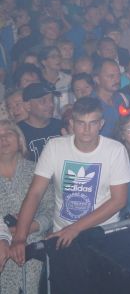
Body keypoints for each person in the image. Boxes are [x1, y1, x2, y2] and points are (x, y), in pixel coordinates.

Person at [11, 97, 130, 294]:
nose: (87, 129)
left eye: (92, 123)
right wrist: (20, 237)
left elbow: (119, 200)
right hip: (63, 237)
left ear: (101, 124)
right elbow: (35, 193)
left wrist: (74, 228)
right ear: (72, 123)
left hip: (102, 235)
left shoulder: (115, 150)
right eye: (81, 123)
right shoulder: (55, 147)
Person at [0, 120, 53, 294]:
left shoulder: (38, 171)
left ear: (19, 139)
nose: (3, 138)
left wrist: (29, 227)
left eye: (8, 133)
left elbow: (50, 209)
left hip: (35, 252)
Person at [18, 82, 63, 161]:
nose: (51, 105)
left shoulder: (61, 126)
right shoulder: (18, 132)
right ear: (28, 106)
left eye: (52, 99)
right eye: (43, 101)